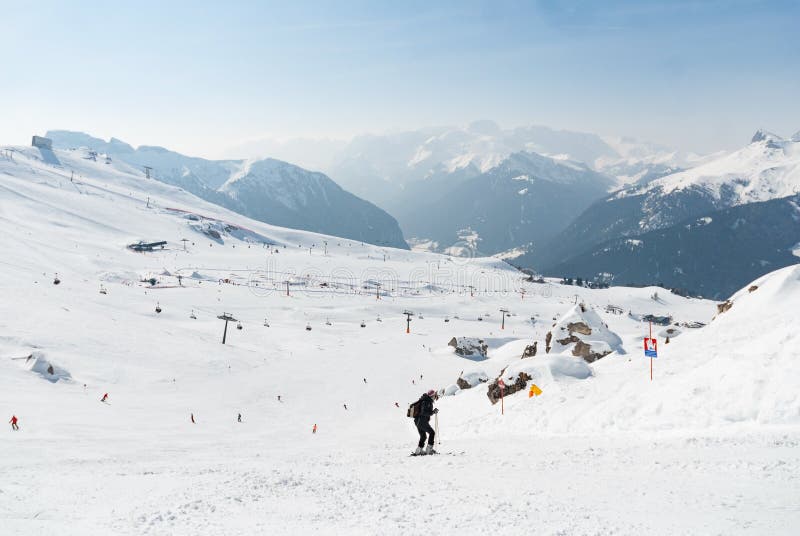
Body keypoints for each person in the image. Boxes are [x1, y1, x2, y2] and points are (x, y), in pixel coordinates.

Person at [413, 390, 438, 455]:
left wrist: (432, 411)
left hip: (418, 421)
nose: (435, 396)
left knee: (423, 436)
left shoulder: (425, 400)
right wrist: (432, 412)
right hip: (421, 421)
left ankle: (418, 451)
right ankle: (429, 450)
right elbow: (423, 412)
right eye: (434, 395)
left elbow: (424, 411)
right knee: (432, 433)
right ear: (432, 396)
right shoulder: (426, 401)